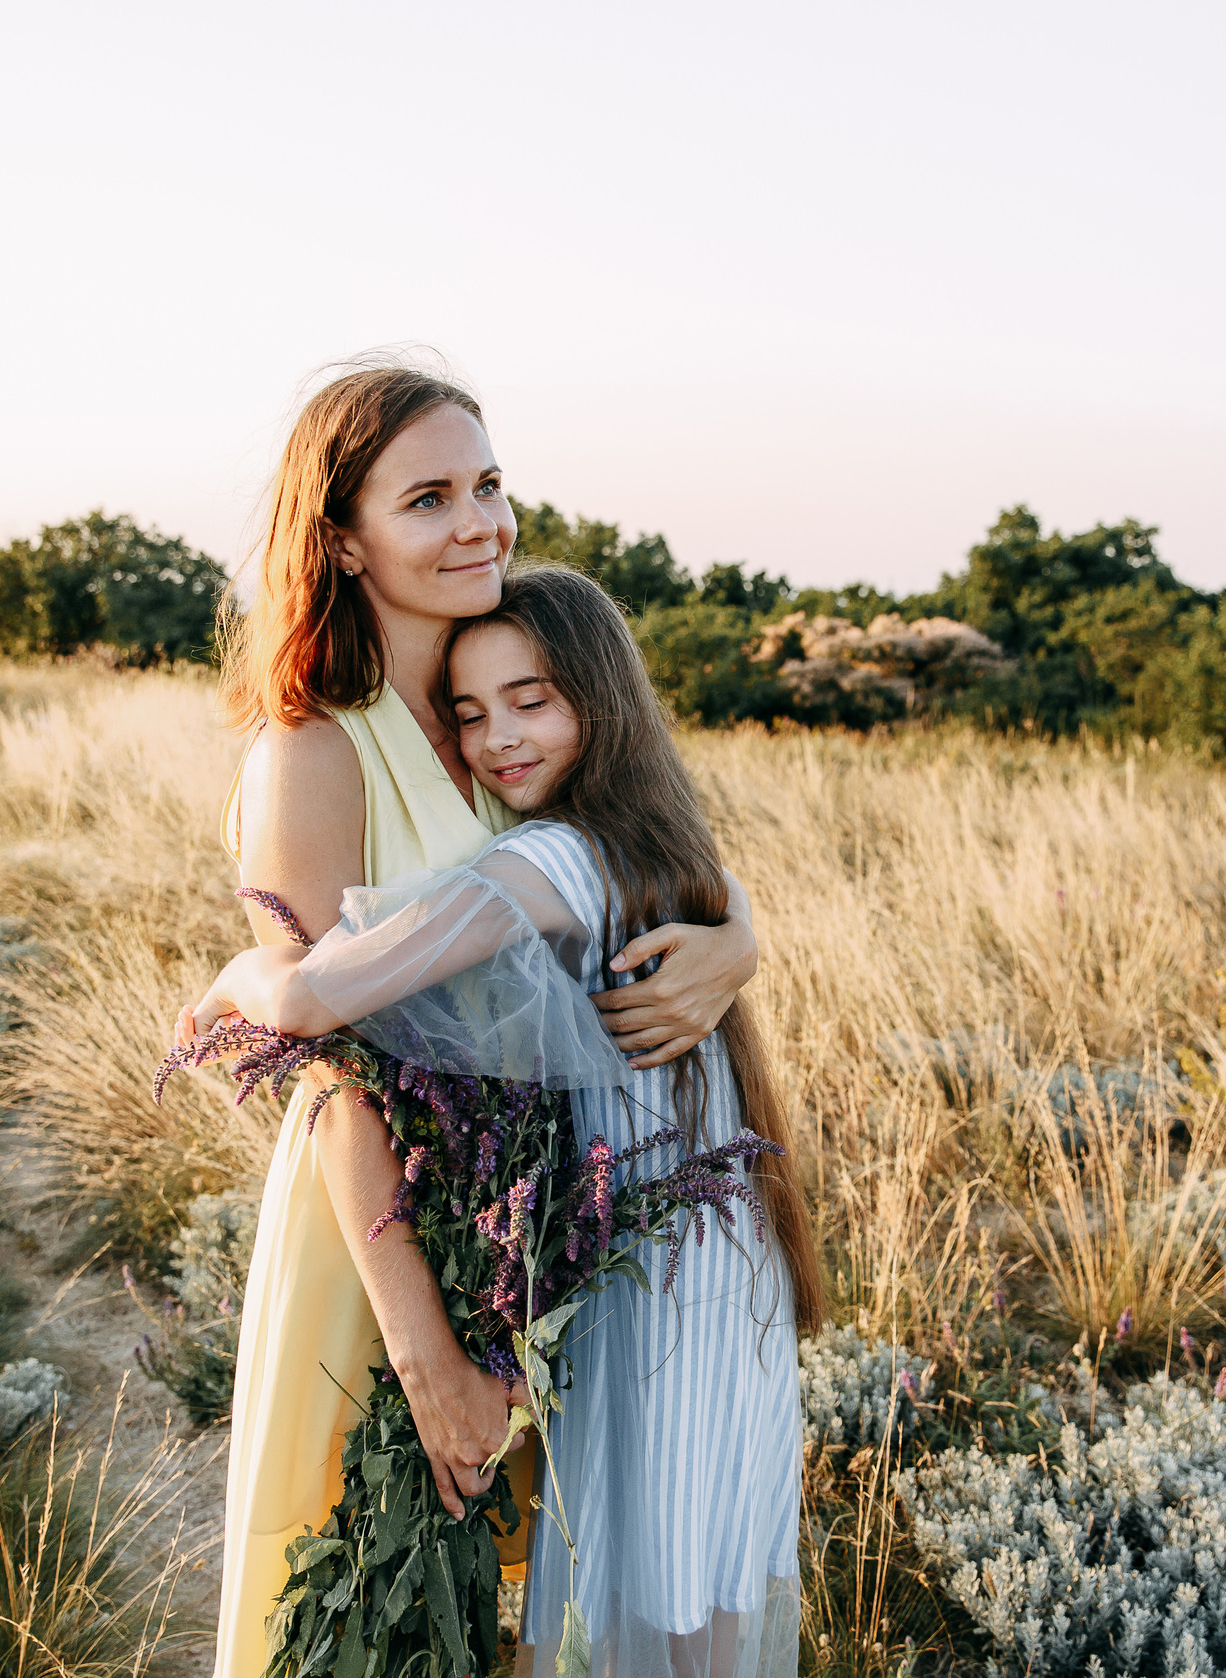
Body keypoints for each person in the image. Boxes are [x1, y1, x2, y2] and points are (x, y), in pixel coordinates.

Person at [210, 362, 764, 1677]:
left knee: (524, 1625)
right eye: (429, 498)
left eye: (490, 485)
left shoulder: (494, 702)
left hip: (543, 1229)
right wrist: (427, 1359)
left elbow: (613, 848)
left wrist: (737, 935)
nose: (481, 525)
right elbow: (332, 1072)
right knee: (382, 1606)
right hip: (396, 1242)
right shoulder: (315, 751)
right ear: (343, 539)